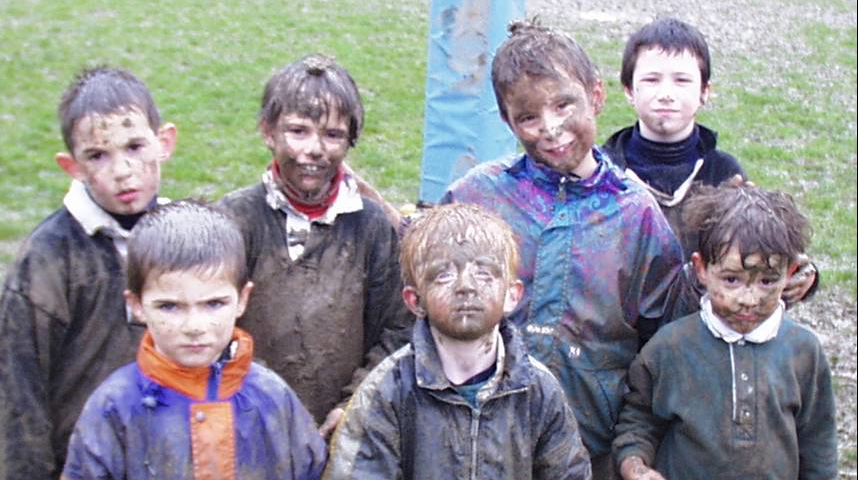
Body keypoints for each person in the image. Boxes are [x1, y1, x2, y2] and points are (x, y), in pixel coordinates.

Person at [442, 21, 693, 479]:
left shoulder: (635, 213)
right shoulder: (476, 199)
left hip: (590, 443)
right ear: (506, 121)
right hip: (480, 438)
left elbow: (666, 340)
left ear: (596, 95)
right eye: (529, 117)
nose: (551, 127)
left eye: (563, 104)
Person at [218, 54, 413, 438]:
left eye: (333, 135)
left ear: (350, 140)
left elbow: (396, 329)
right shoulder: (234, 220)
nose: (315, 149)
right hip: (246, 425)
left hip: (338, 430)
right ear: (268, 131)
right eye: (298, 131)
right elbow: (207, 325)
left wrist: (353, 404)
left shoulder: (371, 227)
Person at [323, 203, 592, 480]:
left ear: (512, 295)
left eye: (484, 274)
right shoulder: (386, 392)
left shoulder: (539, 390)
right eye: (444, 275)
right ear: (414, 301)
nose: (466, 286)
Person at [61, 200, 327, 479]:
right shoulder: (114, 407)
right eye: (169, 306)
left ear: (242, 299)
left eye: (214, 304)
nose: (194, 326)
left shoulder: (273, 397)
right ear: (137, 305)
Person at [0, 66, 177, 480]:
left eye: (134, 146)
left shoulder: (181, 236)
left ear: (164, 141)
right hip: (81, 464)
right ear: (71, 166)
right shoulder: (47, 261)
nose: (122, 171)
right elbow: (17, 394)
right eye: (98, 155)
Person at [612, 183, 837, 480]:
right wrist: (635, 467)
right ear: (701, 269)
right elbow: (637, 424)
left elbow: (819, 444)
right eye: (731, 280)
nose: (749, 298)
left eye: (767, 281)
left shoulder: (804, 351)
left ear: (791, 273)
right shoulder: (669, 347)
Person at [601, 17, 817, 303]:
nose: (666, 94)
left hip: (702, 329)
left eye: (682, 81)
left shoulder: (725, 175)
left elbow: (758, 252)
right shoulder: (602, 172)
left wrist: (802, 274)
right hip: (619, 328)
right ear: (629, 90)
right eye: (651, 80)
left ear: (704, 92)